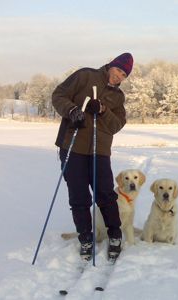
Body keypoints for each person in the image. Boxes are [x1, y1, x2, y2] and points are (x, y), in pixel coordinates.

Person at [52, 53, 134, 261]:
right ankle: (85, 239)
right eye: (118, 70)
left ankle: (115, 235)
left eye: (124, 75)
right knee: (79, 196)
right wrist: (72, 112)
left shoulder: (118, 97)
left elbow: (116, 125)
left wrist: (104, 110)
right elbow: (58, 95)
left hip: (100, 150)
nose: (119, 77)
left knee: (105, 195)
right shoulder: (85, 76)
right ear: (110, 66)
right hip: (72, 145)